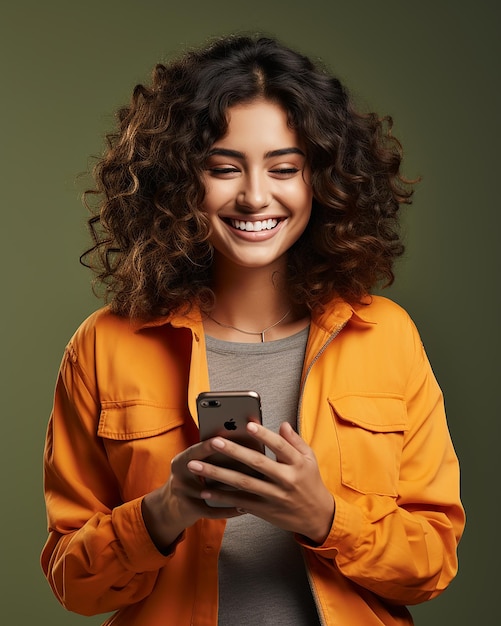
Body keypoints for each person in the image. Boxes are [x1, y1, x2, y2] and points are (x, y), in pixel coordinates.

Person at [41, 34, 465, 625]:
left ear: (321, 180)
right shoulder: (104, 344)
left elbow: (433, 565)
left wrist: (323, 516)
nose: (255, 196)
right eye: (223, 168)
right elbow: (76, 584)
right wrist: (164, 511)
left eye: (284, 168)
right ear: (179, 182)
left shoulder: (387, 335)